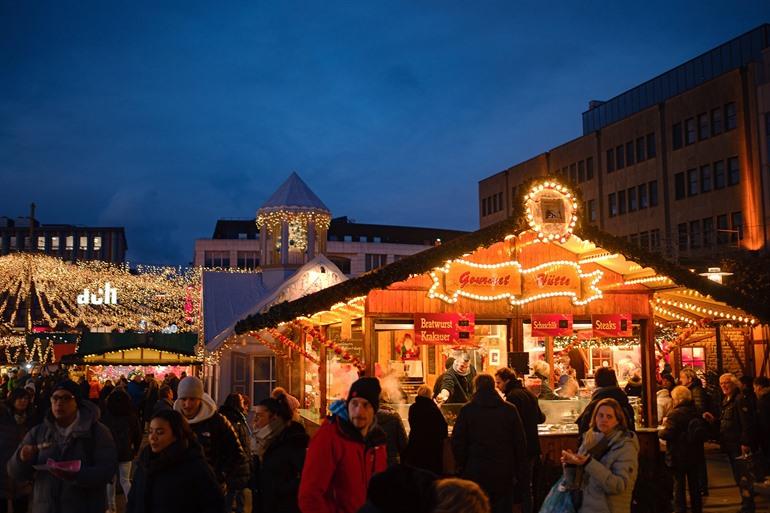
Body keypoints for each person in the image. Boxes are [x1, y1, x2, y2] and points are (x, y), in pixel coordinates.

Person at [8, 380, 118, 513]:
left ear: (77, 402)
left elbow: (107, 470)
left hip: (84, 506)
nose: (59, 403)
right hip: (46, 507)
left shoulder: (97, 432)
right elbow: (15, 473)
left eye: (66, 398)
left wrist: (76, 474)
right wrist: (21, 458)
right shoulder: (39, 432)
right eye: (55, 398)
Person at [298, 377, 387, 513]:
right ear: (347, 405)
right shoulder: (330, 437)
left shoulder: (378, 442)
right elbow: (310, 495)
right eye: (354, 404)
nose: (358, 411)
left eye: (366, 405)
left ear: (374, 410)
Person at [451, 374, 527, 513]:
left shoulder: (468, 410)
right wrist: (518, 470)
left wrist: (461, 465)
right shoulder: (509, 410)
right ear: (493, 386)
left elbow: (458, 441)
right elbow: (520, 442)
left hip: (475, 469)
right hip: (503, 470)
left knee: (477, 507)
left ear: (476, 387)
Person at [126, 409, 224, 513]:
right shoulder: (145, 462)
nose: (153, 437)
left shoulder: (194, 466)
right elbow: (133, 499)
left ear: (177, 434)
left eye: (160, 432)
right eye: (150, 431)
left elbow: (215, 505)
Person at [173, 376, 250, 495]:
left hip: (209, 489)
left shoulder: (217, 422)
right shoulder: (173, 421)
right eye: (183, 399)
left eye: (192, 399)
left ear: (200, 399)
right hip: (178, 488)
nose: (187, 404)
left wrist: (222, 479)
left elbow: (237, 454)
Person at [561, 398, 639, 513]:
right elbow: (574, 484)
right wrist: (570, 465)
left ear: (618, 420)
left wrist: (588, 463)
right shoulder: (589, 440)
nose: (604, 420)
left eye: (609, 416)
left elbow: (619, 485)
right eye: (600, 415)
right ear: (595, 417)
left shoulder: (625, 446)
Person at [704, 373, 757, 513]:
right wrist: (714, 421)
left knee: (743, 476)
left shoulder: (739, 400)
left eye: (726, 383)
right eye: (721, 383)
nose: (724, 386)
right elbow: (726, 422)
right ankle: (745, 502)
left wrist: (745, 443)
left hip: (738, 445)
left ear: (734, 384)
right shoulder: (727, 400)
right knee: (738, 476)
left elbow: (746, 423)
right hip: (730, 444)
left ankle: (748, 505)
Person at [494, 368, 545, 513]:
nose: (497, 386)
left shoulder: (512, 397)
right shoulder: (527, 393)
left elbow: (511, 425)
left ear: (507, 381)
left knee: (521, 485)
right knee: (529, 486)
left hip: (522, 447)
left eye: (498, 382)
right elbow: (541, 418)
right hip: (534, 446)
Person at [252, 393, 308, 513]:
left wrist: (279, 490)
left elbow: (306, 476)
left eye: (260, 416)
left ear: (275, 418)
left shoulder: (292, 442)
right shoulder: (263, 444)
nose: (255, 420)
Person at [658, 385, 706, 513]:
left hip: (678, 454)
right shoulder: (695, 411)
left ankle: (680, 509)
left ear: (678, 399)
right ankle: (697, 508)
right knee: (694, 484)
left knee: (679, 486)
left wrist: (660, 431)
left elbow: (668, 434)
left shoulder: (675, 414)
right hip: (694, 453)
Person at [101, 387, 142, 513]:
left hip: (109, 452)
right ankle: (131, 504)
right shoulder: (131, 416)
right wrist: (135, 449)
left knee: (110, 481)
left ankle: (112, 507)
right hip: (126, 451)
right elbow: (138, 434)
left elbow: (101, 434)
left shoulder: (106, 416)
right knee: (125, 480)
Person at [0, 387, 36, 513]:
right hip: (3, 461)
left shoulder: (31, 417)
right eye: (20, 398)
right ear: (13, 399)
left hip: (22, 464)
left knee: (21, 500)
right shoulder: (3, 415)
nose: (23, 401)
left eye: (26, 398)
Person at [679, 367, 711, 496]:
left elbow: (699, 409)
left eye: (682, 378)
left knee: (698, 459)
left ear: (689, 379)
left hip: (696, 429)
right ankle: (700, 486)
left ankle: (702, 487)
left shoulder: (696, 391)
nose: (680, 380)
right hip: (694, 428)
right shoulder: (693, 389)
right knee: (697, 459)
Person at [576, 367, 635, 436]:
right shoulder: (624, 402)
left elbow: (583, 429)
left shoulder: (595, 404)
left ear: (596, 382)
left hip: (599, 446)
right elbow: (631, 431)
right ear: (614, 380)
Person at [219, 393, 252, 513]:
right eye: (243, 402)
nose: (246, 406)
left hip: (237, 468)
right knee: (234, 499)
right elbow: (239, 446)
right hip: (237, 468)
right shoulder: (235, 421)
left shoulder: (237, 419)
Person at [404, 385, 448, 475]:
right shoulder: (433, 409)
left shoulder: (413, 408)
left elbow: (411, 423)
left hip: (415, 445)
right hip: (431, 449)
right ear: (430, 395)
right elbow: (443, 428)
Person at [376, 395, 408, 466]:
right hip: (393, 462)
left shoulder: (368, 417)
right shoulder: (394, 416)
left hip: (374, 462)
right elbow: (403, 443)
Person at [754, 376, 770, 479]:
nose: (754, 391)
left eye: (754, 388)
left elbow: (764, 423)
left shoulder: (763, 401)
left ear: (759, 387)